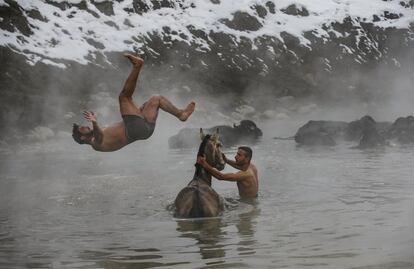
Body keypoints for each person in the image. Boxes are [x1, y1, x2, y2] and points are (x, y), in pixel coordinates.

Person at [72, 54, 195, 152]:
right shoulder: (94, 143)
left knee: (156, 99)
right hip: (133, 130)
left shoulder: (99, 131)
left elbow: (119, 125)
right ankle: (137, 65)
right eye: (82, 128)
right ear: (82, 137)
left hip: (144, 130)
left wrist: (140, 110)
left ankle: (181, 114)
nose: (85, 126)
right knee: (124, 97)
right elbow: (99, 138)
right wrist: (94, 122)